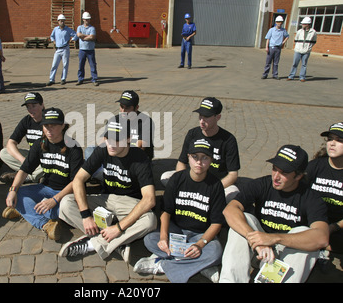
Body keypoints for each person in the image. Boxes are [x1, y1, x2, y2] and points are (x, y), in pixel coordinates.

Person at [219, 144, 329, 283]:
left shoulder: (311, 197)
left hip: (287, 257)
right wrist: (256, 239)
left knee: (305, 233)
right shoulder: (263, 184)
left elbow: (322, 237)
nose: (276, 177)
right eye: (274, 169)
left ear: (299, 176)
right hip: (260, 252)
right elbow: (229, 209)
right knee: (244, 219)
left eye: (284, 173)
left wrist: (274, 238)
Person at [58, 116, 157, 262]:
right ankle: (117, 243)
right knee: (66, 202)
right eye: (108, 138)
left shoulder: (140, 158)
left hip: (130, 204)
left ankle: (93, 243)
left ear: (129, 139)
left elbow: (149, 199)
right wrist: (86, 216)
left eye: (117, 139)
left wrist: (118, 228)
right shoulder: (103, 149)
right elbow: (78, 179)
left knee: (150, 220)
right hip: (106, 199)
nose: (111, 144)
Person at [134, 138, 225, 283]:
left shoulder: (216, 186)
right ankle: (200, 265)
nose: (199, 162)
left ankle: (164, 264)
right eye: (195, 157)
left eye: (205, 158)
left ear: (211, 160)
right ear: (188, 157)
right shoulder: (177, 179)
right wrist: (163, 237)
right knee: (150, 239)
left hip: (200, 235)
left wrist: (200, 244)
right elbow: (166, 211)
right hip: (176, 232)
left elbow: (216, 224)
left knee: (215, 251)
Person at [4, 108, 84, 240]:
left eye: (54, 126)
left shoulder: (73, 147)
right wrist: (13, 190)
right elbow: (24, 170)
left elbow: (76, 182)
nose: (49, 129)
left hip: (65, 194)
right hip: (45, 188)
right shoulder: (40, 144)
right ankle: (46, 225)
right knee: (15, 194)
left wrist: (54, 200)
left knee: (56, 211)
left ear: (63, 126)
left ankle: (25, 210)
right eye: (46, 125)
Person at [160, 97, 240, 202]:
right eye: (200, 116)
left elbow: (233, 174)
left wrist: (212, 188)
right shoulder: (192, 134)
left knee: (234, 194)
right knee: (165, 177)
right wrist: (185, 182)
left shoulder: (228, 140)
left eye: (206, 117)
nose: (202, 121)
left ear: (218, 117)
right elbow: (181, 162)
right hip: (193, 177)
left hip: (216, 182)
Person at [307, 122, 343, 254]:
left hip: (338, 226)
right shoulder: (315, 165)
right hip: (314, 221)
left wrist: (334, 227)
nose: (332, 143)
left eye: (339, 140)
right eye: (330, 139)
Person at [0, 92, 45, 184]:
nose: (31, 109)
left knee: (50, 164)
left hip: (48, 157)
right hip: (32, 157)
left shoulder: (50, 119)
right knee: (4, 152)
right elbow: (11, 143)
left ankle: (25, 176)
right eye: (28, 106)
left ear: (42, 105)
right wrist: (23, 161)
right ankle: (34, 174)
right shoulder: (26, 120)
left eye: (34, 105)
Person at [46, 14, 78, 86]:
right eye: (60, 21)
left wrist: (72, 39)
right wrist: (53, 41)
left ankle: (63, 79)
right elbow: (52, 36)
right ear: (58, 21)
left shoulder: (68, 29)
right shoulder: (55, 29)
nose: (62, 22)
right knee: (54, 65)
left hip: (65, 49)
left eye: (63, 21)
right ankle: (51, 79)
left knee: (65, 64)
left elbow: (76, 35)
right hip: (57, 49)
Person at [287, 17, 317, 82]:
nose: (302, 25)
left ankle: (302, 77)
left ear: (308, 24)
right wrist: (298, 47)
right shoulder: (299, 31)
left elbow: (314, 41)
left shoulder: (313, 32)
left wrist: (309, 47)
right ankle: (291, 76)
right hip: (298, 50)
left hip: (306, 51)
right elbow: (296, 40)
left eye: (304, 24)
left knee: (304, 64)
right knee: (295, 63)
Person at [262, 16, 289, 80]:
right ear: (276, 22)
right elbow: (268, 39)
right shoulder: (271, 30)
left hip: (278, 48)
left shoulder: (283, 30)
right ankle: (265, 74)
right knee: (268, 62)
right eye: (278, 22)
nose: (279, 23)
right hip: (271, 47)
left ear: (282, 23)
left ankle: (275, 74)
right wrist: (267, 47)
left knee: (276, 62)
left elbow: (287, 36)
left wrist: (283, 42)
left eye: (280, 22)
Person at [76, 11, 99, 86]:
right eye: (86, 19)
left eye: (88, 19)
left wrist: (84, 37)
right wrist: (88, 36)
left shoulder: (92, 28)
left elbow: (92, 37)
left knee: (93, 65)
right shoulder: (80, 27)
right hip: (82, 49)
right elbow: (79, 35)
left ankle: (94, 79)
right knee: (81, 65)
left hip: (90, 50)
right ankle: (80, 79)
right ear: (83, 19)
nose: (87, 20)